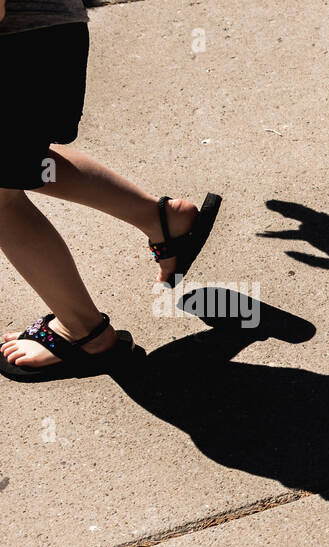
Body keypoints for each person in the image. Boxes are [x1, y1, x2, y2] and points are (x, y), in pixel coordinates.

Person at [0, 0, 220, 382]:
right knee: (19, 161)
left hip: (18, 46)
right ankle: (162, 218)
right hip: (45, 36)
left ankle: (84, 333)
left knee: (1, 199)